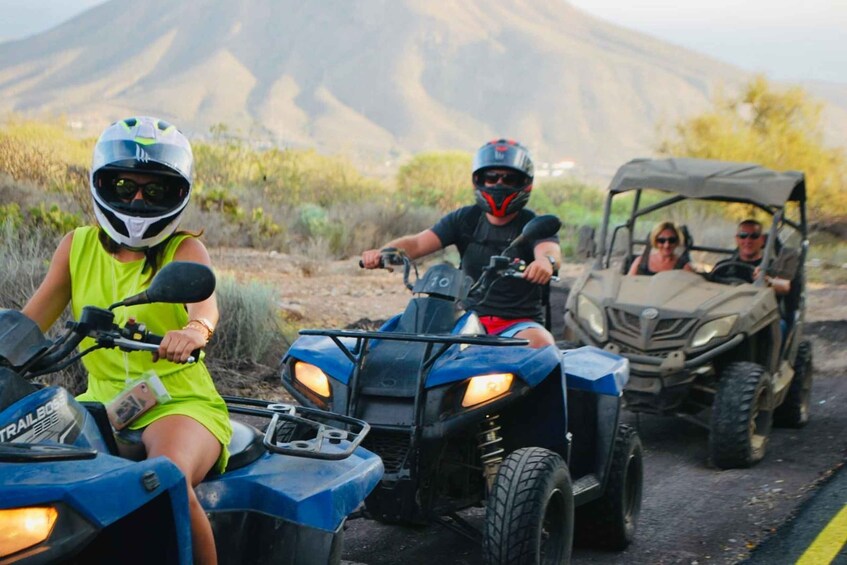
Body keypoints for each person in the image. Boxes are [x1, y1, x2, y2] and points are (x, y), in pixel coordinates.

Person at [22, 116, 231, 564]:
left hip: (177, 404)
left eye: (153, 190)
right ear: (102, 185)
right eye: (123, 187)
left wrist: (193, 333)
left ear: (177, 194)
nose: (137, 199)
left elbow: (206, 309)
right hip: (96, 406)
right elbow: (28, 323)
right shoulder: (75, 247)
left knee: (167, 479)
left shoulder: (184, 250)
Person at [361, 139, 561, 349]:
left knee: (542, 344)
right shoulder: (465, 219)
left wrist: (545, 262)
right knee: (404, 340)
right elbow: (418, 243)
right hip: (465, 318)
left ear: (524, 182)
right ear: (479, 180)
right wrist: (383, 253)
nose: (499, 184)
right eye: (491, 177)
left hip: (519, 324)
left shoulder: (532, 224)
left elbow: (549, 249)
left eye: (509, 178)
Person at [712, 219, 796, 295]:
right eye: (743, 235)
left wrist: (768, 281)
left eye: (754, 236)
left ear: (762, 240)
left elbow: (785, 287)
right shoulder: (722, 267)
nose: (748, 241)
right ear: (737, 239)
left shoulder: (773, 266)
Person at [627, 221, 693, 275]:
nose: (666, 245)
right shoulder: (640, 262)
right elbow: (628, 285)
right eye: (661, 241)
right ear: (655, 241)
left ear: (677, 242)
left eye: (671, 240)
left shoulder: (685, 268)